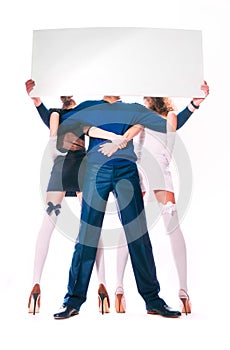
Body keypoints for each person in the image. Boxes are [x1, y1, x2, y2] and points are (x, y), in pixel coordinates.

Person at [52, 93, 198, 320]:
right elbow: (62, 121)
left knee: (137, 234)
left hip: (126, 170)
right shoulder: (90, 105)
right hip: (95, 171)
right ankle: (73, 301)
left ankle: (153, 300)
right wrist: (38, 102)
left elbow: (165, 124)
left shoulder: (133, 107)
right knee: (87, 235)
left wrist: (194, 104)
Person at [97, 81, 209, 314]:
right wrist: (194, 105)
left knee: (131, 230)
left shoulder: (145, 117)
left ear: (148, 99)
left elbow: (130, 136)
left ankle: (118, 288)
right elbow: (175, 123)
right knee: (172, 227)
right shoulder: (170, 117)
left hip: (138, 170)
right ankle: (184, 291)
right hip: (158, 173)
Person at [26, 80, 127, 315]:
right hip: (83, 168)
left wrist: (58, 162)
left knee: (49, 221)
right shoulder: (84, 113)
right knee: (90, 225)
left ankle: (35, 284)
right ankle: (102, 284)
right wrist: (113, 136)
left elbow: (52, 142)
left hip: (62, 167)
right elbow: (94, 131)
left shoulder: (55, 114)